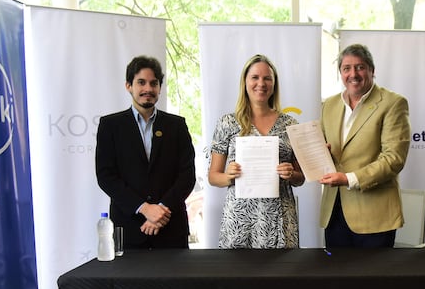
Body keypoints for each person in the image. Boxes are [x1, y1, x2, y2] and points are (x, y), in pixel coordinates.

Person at [96, 55, 196, 249]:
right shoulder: (110, 126)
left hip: (171, 228)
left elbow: (187, 176)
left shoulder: (176, 125)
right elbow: (106, 176)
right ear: (128, 86)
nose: (148, 89)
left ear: (159, 87)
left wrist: (160, 210)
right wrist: (144, 208)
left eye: (154, 83)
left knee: (173, 281)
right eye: (141, 82)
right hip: (129, 229)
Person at [208, 54, 305, 248]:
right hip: (239, 221)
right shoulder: (227, 122)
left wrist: (291, 174)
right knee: (237, 277)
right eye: (255, 77)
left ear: (274, 84)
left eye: (267, 78)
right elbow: (212, 177)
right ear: (245, 82)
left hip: (279, 220)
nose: (261, 83)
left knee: (280, 277)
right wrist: (228, 176)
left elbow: (301, 178)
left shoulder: (290, 124)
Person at [319, 43, 410, 248]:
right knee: (336, 278)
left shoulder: (393, 103)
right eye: (346, 68)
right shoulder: (328, 105)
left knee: (373, 280)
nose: (353, 74)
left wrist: (349, 178)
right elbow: (326, 150)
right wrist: (319, 155)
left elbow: (393, 159)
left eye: (360, 67)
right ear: (340, 73)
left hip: (375, 218)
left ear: (372, 70)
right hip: (334, 213)